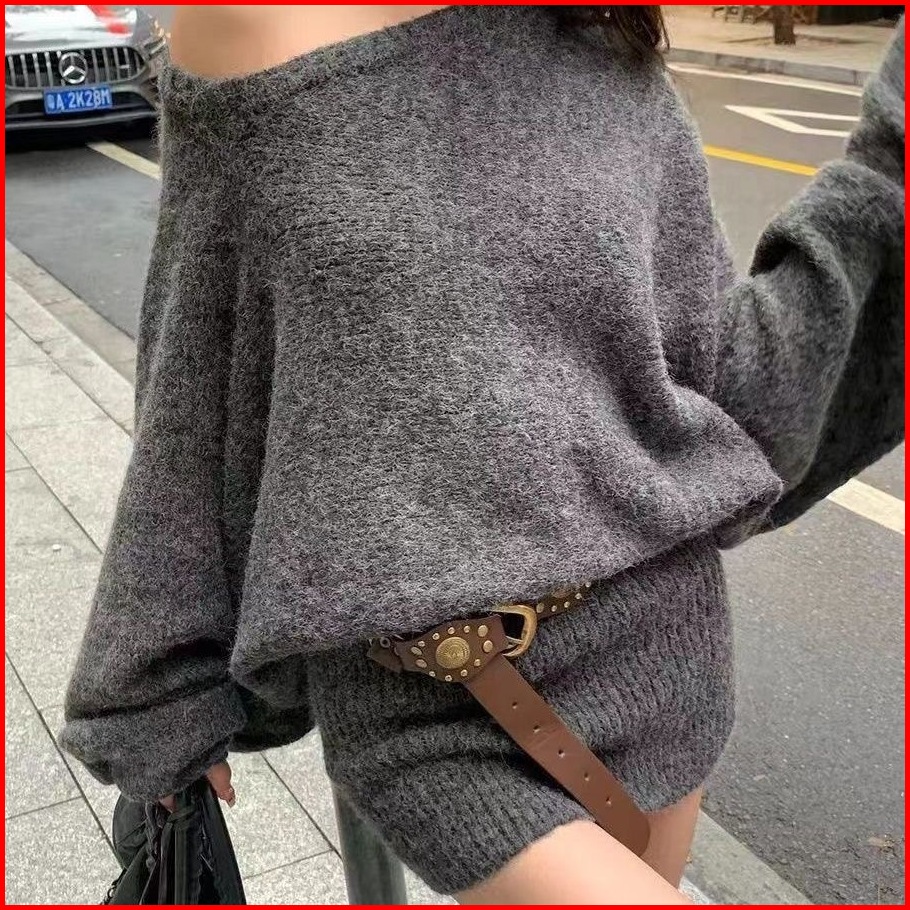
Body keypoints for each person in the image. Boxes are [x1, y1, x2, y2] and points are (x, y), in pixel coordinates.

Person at [60, 5, 904, 904]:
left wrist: (884, 177)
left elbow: (693, 374)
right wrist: (163, 684)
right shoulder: (255, 24)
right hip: (430, 699)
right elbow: (200, 358)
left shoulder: (598, 28)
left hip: (661, 646)